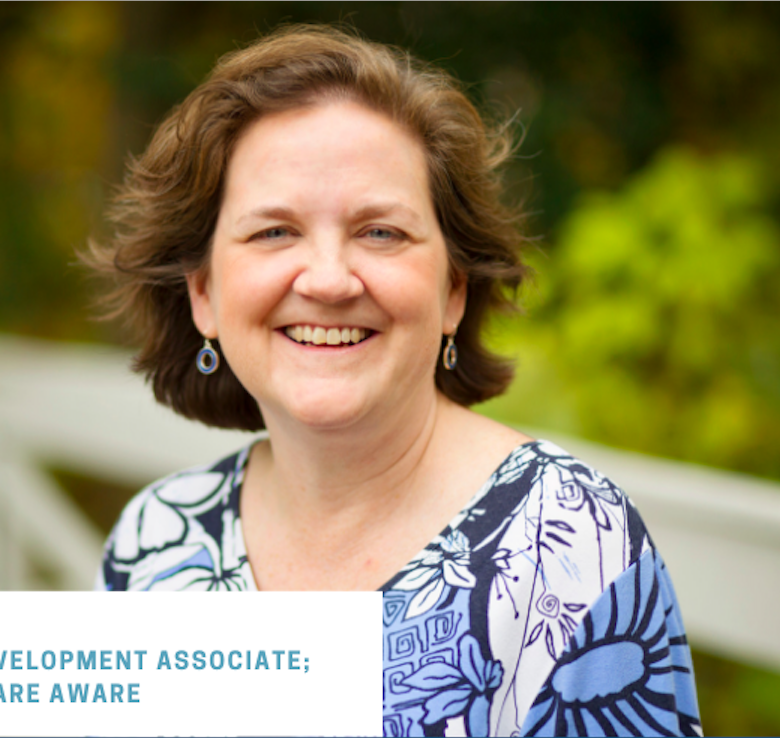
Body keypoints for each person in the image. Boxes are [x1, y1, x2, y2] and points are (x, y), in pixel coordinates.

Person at [87, 24, 701, 737]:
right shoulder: (154, 542)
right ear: (203, 295)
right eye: (273, 232)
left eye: (379, 232)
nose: (326, 280)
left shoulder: (566, 545)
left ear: (453, 291)